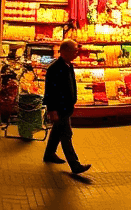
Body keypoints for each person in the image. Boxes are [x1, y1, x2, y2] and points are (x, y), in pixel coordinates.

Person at [42, 39, 90, 175]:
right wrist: (52, 110)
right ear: (65, 52)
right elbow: (50, 91)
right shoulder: (54, 68)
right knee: (66, 134)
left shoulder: (69, 65)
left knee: (57, 131)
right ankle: (75, 165)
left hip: (67, 107)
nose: (77, 52)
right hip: (59, 107)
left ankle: (49, 154)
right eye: (75, 50)